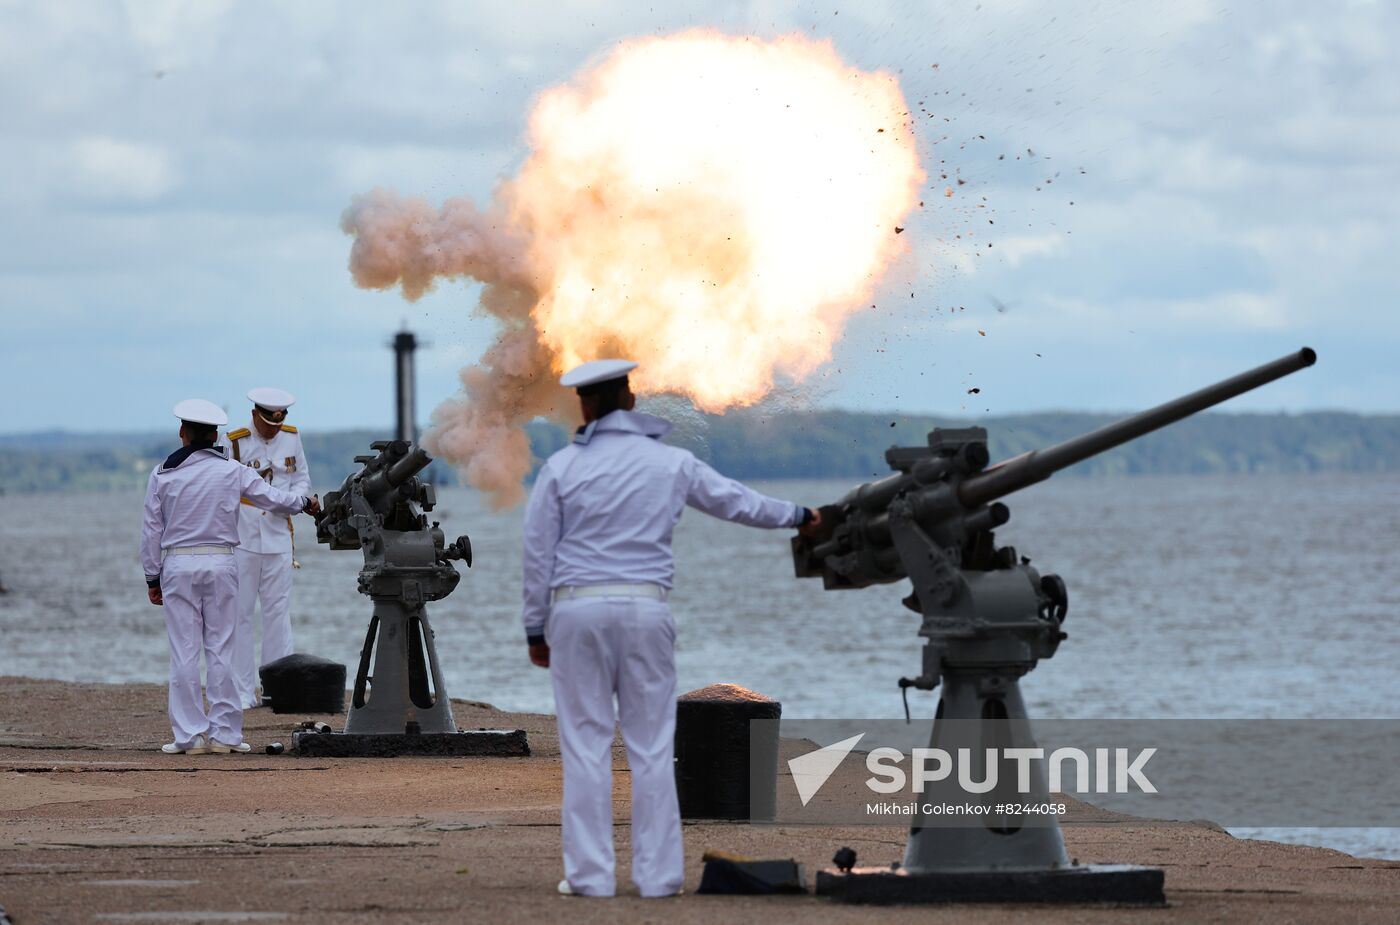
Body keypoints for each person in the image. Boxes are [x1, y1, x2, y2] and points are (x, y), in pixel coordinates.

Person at [522, 359, 823, 898]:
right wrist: (801, 514)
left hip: (577, 610)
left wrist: (534, 630)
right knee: (653, 747)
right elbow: (739, 503)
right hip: (645, 609)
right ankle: (659, 878)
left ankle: (589, 877)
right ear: (632, 401)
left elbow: (537, 554)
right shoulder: (671, 463)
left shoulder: (562, 468)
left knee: (586, 746)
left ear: (584, 407)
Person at [141, 399, 318, 754]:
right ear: (216, 435)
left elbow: (150, 532)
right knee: (222, 648)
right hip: (222, 561)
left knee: (184, 653)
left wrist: (151, 578)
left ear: (182, 433)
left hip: (178, 564)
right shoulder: (232, 470)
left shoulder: (162, 474)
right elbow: (273, 499)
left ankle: (189, 737)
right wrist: (307, 504)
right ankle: (226, 736)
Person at [220, 387, 311, 709]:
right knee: (240, 615)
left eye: (278, 422)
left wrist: (290, 503)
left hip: (277, 536)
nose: (273, 429)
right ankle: (243, 693)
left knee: (278, 614)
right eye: (268, 423)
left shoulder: (291, 436)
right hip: (243, 538)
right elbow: (225, 488)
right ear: (256, 415)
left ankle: (278, 689)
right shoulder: (235, 440)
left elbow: (302, 480)